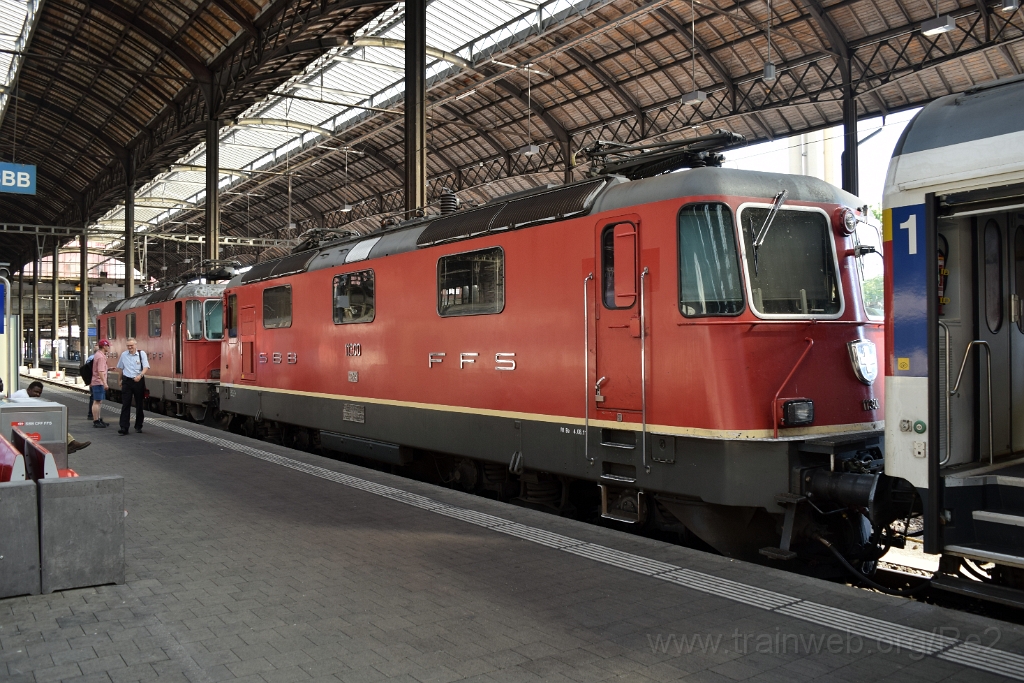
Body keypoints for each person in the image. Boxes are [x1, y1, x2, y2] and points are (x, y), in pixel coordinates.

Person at [10, 381, 91, 453]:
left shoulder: (23, 393)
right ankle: (67, 445)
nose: (37, 395)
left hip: (18, 419)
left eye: (39, 393)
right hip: (17, 422)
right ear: (29, 390)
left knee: (51, 422)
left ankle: (69, 444)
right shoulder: (24, 396)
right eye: (36, 392)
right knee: (52, 422)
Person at [116, 337, 149, 435]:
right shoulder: (124, 355)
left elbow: (146, 367)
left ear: (135, 345)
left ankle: (138, 426)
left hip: (138, 381)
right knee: (126, 404)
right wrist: (119, 380)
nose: (130, 347)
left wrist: (140, 375)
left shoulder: (141, 354)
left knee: (139, 404)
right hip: (127, 381)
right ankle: (124, 427)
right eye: (128, 346)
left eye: (131, 345)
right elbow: (121, 368)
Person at [91, 340, 111, 428]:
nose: (109, 348)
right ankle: (96, 420)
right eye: (108, 346)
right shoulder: (101, 357)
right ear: (104, 346)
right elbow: (100, 371)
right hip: (98, 382)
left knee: (99, 401)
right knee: (97, 401)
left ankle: (98, 419)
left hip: (97, 381)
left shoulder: (98, 355)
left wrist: (108, 369)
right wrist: (105, 383)